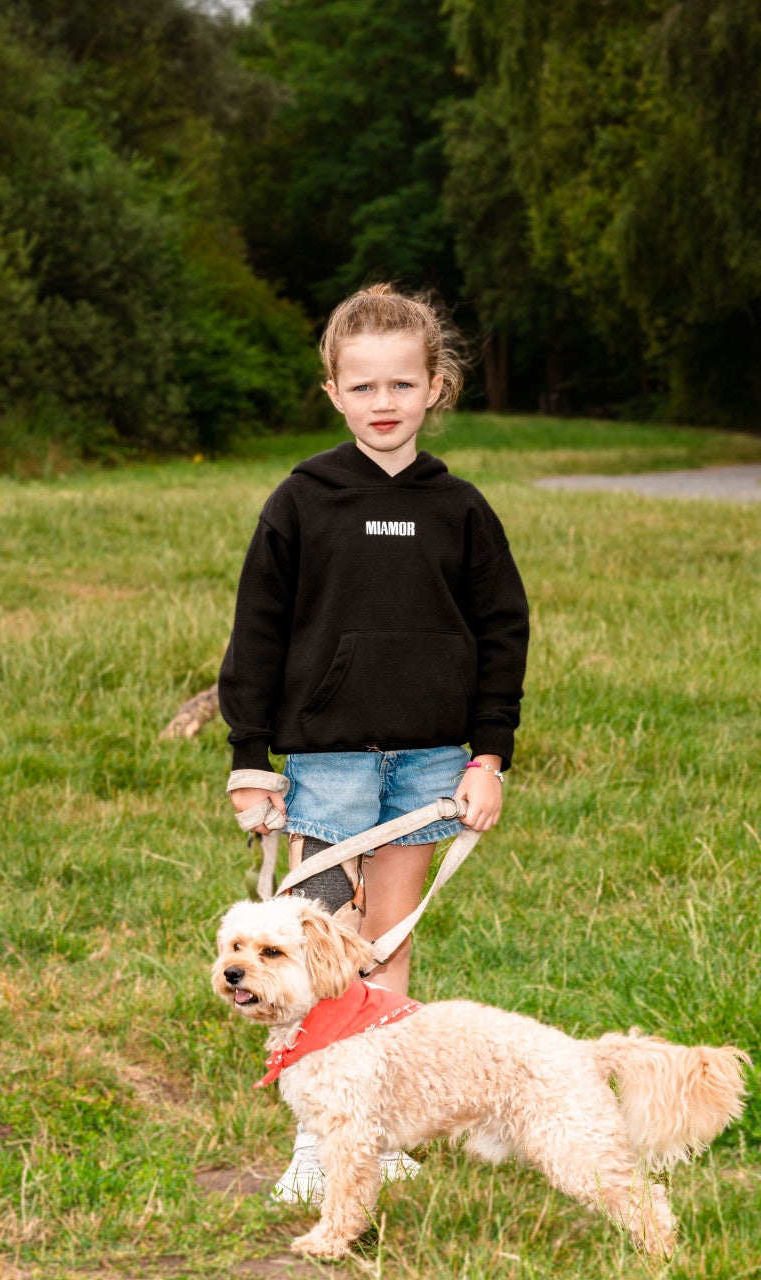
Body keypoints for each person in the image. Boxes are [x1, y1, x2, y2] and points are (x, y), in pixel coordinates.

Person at [218, 284, 531, 1203]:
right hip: (328, 761)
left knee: (383, 948)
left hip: (434, 765)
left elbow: (502, 631)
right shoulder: (302, 500)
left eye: (404, 382)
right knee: (314, 946)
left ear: (437, 386)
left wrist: (488, 756)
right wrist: (250, 756)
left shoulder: (461, 508)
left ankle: (377, 1128)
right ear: (333, 391)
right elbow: (259, 630)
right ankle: (317, 1141)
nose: (384, 402)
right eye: (364, 386)